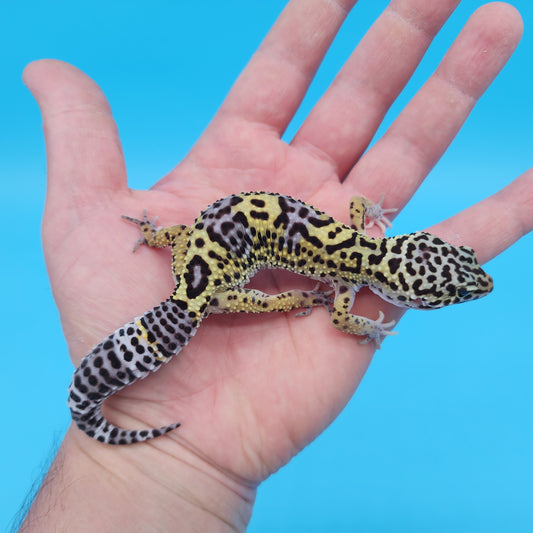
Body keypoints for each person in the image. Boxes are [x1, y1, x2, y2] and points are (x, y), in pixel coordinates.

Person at [19, 0, 531, 530]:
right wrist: (322, 312)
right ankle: (110, 394)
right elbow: (338, 317)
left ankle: (158, 248)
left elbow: (358, 211)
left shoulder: (360, 236)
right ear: (410, 291)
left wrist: (158, 236)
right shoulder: (346, 279)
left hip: (197, 245)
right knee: (276, 302)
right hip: (208, 288)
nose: (462, 287)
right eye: (448, 290)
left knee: (217, 264)